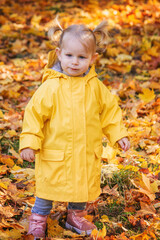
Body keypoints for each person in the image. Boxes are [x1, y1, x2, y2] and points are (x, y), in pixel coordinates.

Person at [19, 19, 130, 238]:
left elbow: (110, 112)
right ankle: (38, 218)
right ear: (59, 54)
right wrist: (30, 142)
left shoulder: (95, 87)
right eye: (69, 56)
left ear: (93, 58)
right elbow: (34, 115)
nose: (75, 62)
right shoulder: (51, 87)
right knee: (47, 188)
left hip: (85, 152)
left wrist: (119, 134)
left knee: (81, 185)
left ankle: (75, 216)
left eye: (82, 57)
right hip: (55, 153)